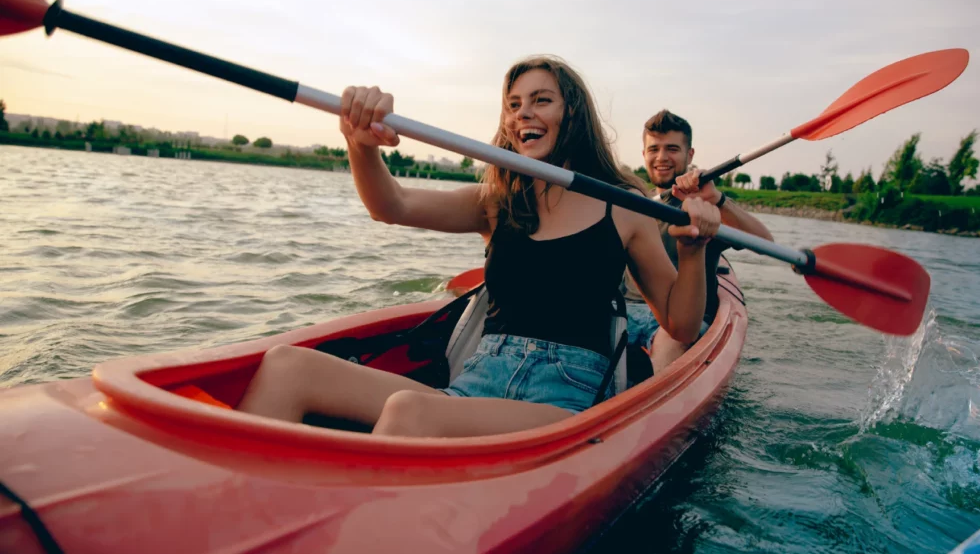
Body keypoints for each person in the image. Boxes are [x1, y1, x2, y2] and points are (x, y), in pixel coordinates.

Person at [236, 56, 721, 437]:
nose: (523, 113)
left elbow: (679, 323)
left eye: (541, 100)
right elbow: (393, 204)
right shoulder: (498, 200)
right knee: (286, 366)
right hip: (475, 381)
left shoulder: (624, 202)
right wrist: (359, 143)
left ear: (571, 112)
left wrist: (693, 250)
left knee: (411, 412)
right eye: (513, 104)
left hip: (563, 403)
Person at [623, 110, 773, 374]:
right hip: (624, 310)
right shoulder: (634, 202)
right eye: (653, 149)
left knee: (672, 341)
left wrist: (718, 200)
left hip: (676, 322)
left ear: (689, 155)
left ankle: (658, 405)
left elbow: (765, 243)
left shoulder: (705, 209)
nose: (661, 158)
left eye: (672, 149)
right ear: (644, 155)